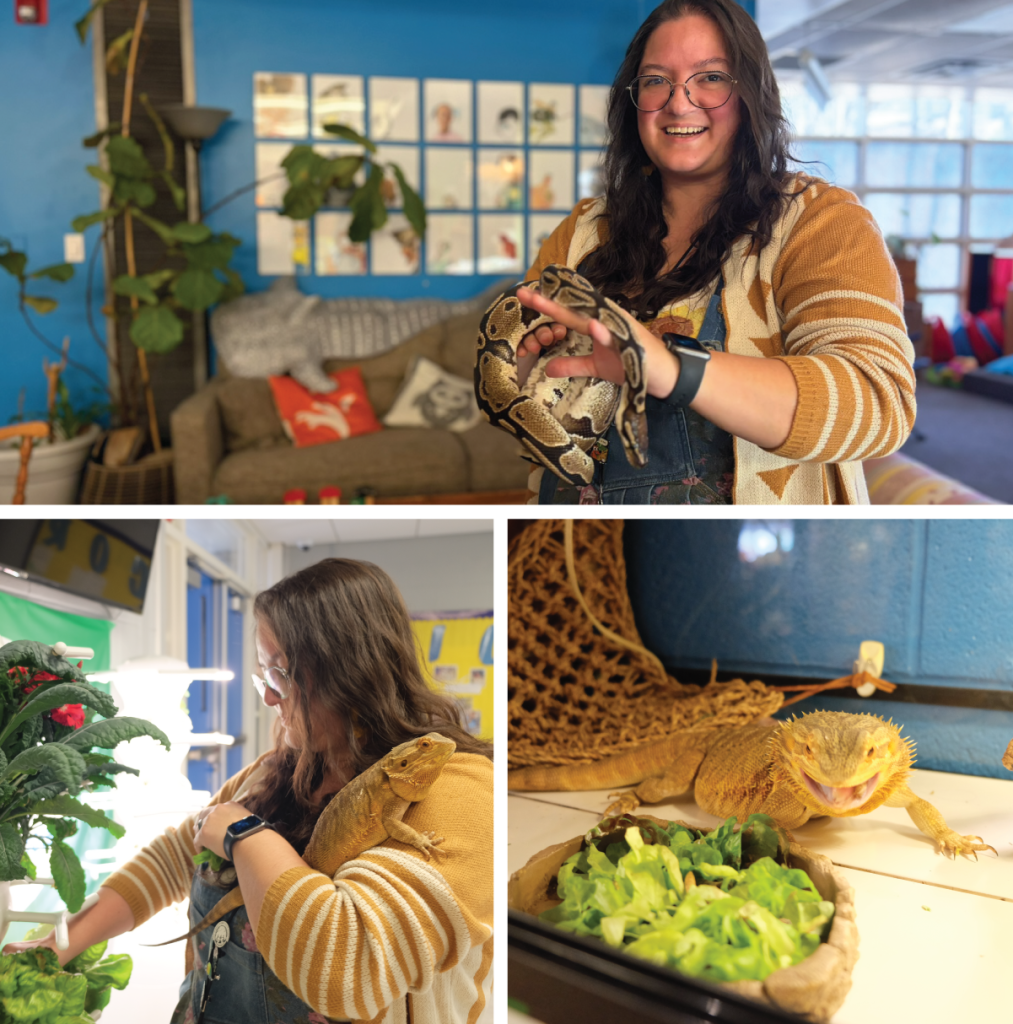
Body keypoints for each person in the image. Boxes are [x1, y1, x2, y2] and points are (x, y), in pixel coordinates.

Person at [3, 559, 494, 1024]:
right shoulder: (278, 771)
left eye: (280, 673)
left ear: (348, 668)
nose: (267, 695)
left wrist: (243, 833)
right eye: (265, 673)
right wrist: (59, 945)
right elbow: (177, 855)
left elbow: (348, 967)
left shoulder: (460, 792)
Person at [515, 0, 916, 504]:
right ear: (633, 100)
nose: (679, 104)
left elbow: (880, 404)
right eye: (657, 80)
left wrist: (666, 366)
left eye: (711, 78)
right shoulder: (582, 232)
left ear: (751, 93)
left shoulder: (821, 222)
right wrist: (529, 358)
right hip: (572, 547)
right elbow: (516, 388)